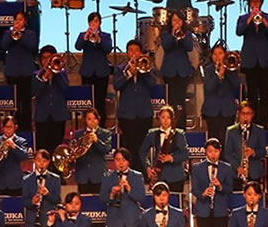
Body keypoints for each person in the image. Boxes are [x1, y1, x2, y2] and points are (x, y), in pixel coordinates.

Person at [236, 0, 268, 127]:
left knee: (265, 92)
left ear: (261, 2)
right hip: (250, 60)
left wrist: (263, 19)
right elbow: (239, 32)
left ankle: (263, 122)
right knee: (252, 93)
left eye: (257, 1)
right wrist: (250, 18)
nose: (255, 4)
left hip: (265, 61)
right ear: (249, 3)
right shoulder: (243, 18)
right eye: (252, 1)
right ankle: (252, 122)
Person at [113, 40, 156, 172]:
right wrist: (129, 74)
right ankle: (132, 172)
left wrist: (143, 72)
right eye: (131, 50)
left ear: (141, 52)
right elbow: (117, 85)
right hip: (127, 114)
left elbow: (152, 84)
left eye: (136, 50)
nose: (133, 53)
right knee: (130, 145)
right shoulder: (120, 69)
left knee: (143, 145)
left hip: (144, 113)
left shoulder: (146, 66)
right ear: (127, 53)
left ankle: (143, 171)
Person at [101, 147, 146, 227]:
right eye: (117, 160)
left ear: (128, 161)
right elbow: (102, 199)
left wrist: (129, 189)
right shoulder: (107, 176)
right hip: (115, 222)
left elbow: (142, 198)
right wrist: (111, 194)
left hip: (132, 222)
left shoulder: (137, 176)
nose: (120, 163)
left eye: (123, 160)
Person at [3, 10, 39, 130]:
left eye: (20, 20)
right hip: (12, 72)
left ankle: (26, 128)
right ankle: (13, 127)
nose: (17, 22)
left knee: (26, 103)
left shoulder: (30, 34)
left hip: (26, 72)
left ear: (25, 22)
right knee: (15, 103)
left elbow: (33, 47)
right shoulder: (8, 33)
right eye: (16, 19)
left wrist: (21, 36)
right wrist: (13, 35)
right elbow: (3, 46)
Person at [75, 12, 113, 124]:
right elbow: (77, 46)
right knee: (88, 102)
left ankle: (101, 126)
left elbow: (108, 49)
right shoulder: (83, 35)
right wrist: (86, 37)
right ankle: (88, 126)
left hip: (101, 72)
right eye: (91, 21)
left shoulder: (106, 36)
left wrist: (98, 39)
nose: (93, 24)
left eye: (96, 21)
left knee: (100, 102)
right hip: (87, 72)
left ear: (100, 23)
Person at [141, 105, 189, 192]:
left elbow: (185, 154)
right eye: (163, 117)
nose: (166, 120)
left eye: (168, 117)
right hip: (159, 175)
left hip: (176, 176)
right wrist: (148, 167)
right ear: (159, 118)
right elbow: (142, 152)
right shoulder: (152, 133)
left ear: (172, 119)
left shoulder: (179, 134)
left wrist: (171, 158)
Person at [33, 44, 70, 156]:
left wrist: (56, 73)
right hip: (42, 117)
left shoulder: (62, 74)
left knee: (57, 148)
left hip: (58, 116)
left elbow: (65, 88)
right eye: (44, 58)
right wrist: (45, 77)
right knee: (43, 149)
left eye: (49, 57)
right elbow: (36, 92)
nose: (47, 60)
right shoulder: (36, 75)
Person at [159, 9, 195, 120]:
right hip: (169, 71)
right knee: (171, 101)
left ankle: (181, 127)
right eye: (174, 20)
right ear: (170, 22)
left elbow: (189, 47)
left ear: (183, 22)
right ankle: (171, 124)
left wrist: (182, 37)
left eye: (179, 20)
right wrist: (173, 35)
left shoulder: (187, 33)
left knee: (181, 101)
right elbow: (166, 46)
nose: (177, 23)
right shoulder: (165, 33)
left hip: (183, 70)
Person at [201, 43, 241, 142]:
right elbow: (209, 88)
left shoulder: (232, 69)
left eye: (220, 53)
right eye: (214, 54)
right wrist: (218, 75)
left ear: (225, 54)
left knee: (227, 140)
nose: (217, 56)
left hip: (227, 111)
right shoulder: (208, 69)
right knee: (213, 140)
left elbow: (236, 85)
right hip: (212, 111)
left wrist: (228, 72)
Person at [224, 101, 267, 191]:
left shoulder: (259, 130)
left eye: (248, 113)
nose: (245, 116)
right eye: (243, 113)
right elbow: (227, 153)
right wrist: (237, 167)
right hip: (237, 172)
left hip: (254, 172)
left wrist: (254, 152)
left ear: (252, 115)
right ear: (238, 114)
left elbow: (263, 151)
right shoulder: (231, 131)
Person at [0, 115, 32, 196]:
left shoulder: (21, 141)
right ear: (2, 127)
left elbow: (24, 156)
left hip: (15, 183)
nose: (8, 129)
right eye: (6, 127)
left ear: (15, 127)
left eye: (10, 127)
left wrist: (14, 146)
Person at [72, 109, 114, 195]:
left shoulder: (105, 133)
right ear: (85, 120)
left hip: (98, 174)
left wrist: (96, 140)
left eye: (94, 118)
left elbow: (106, 149)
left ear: (98, 119)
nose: (92, 121)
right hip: (83, 175)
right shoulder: (78, 134)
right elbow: (74, 153)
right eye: (89, 119)